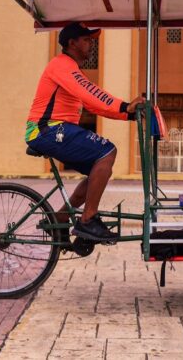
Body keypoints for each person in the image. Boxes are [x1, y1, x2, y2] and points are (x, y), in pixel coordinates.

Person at [26, 22, 144, 242]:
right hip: (46, 129)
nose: (92, 44)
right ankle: (88, 219)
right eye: (87, 40)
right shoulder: (62, 65)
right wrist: (125, 106)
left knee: (97, 171)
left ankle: (61, 217)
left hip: (57, 129)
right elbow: (90, 93)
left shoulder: (72, 70)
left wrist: (128, 113)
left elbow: (92, 104)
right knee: (107, 151)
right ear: (72, 43)